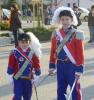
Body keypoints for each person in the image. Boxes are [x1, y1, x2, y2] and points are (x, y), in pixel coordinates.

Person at [49, 7, 84, 100]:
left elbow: (80, 53)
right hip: (60, 65)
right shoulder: (56, 34)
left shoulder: (77, 33)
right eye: (63, 19)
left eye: (67, 19)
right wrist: (52, 65)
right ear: (60, 20)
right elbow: (53, 50)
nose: (65, 21)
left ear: (71, 20)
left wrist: (79, 68)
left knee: (75, 89)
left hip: (72, 66)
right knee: (60, 90)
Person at [7, 33, 41, 100]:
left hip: (28, 79)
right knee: (17, 96)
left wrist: (37, 75)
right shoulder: (14, 52)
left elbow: (37, 64)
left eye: (26, 42)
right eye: (22, 42)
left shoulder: (32, 53)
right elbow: (10, 65)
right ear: (19, 42)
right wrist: (10, 76)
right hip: (17, 79)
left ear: (29, 42)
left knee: (27, 96)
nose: (24, 44)